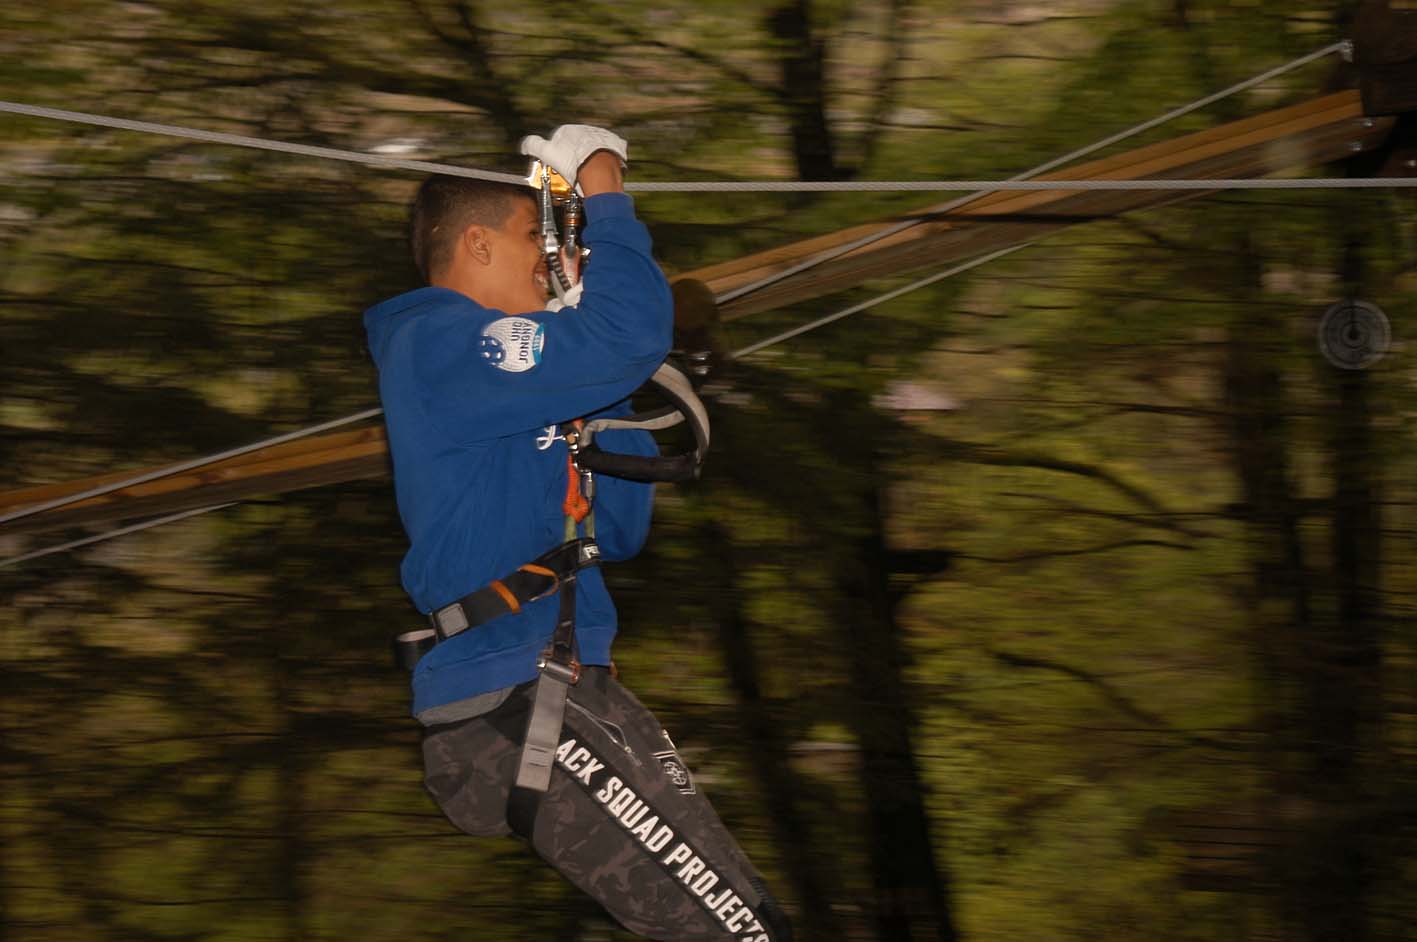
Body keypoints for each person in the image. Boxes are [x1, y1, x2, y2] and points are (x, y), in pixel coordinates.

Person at [363, 125, 791, 942]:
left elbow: (618, 529)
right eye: (537, 237)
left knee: (751, 919)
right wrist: (604, 190)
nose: (552, 257)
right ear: (478, 243)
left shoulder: (509, 382)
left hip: (572, 686)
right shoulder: (436, 343)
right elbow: (624, 334)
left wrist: (598, 387)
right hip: (511, 693)